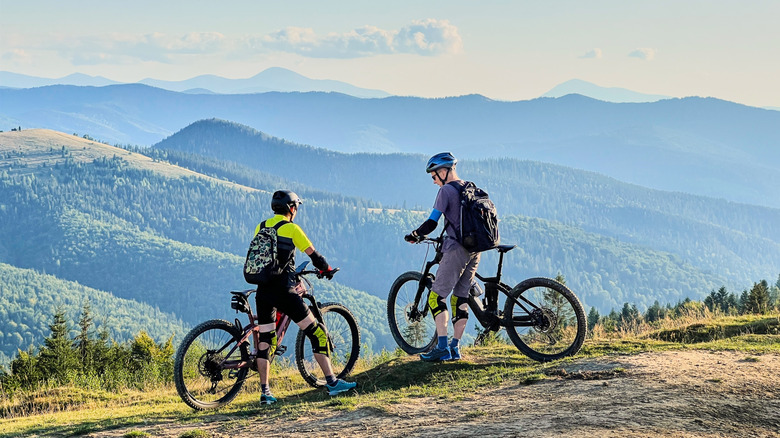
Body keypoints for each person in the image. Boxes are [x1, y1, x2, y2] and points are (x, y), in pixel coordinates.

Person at [253, 190, 356, 404]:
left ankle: (265, 393)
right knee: (317, 333)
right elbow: (314, 256)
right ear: (292, 208)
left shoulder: (261, 226)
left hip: (262, 291)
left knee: (265, 341)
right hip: (284, 291)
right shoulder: (291, 229)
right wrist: (327, 269)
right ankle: (333, 383)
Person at [405, 152, 479, 362]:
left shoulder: (446, 191)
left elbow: (432, 222)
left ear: (444, 171)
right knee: (460, 298)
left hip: (456, 249)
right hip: (475, 249)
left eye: (434, 175)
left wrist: (415, 234)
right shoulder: (469, 186)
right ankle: (455, 348)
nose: (434, 180)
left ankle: (443, 348)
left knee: (436, 297)